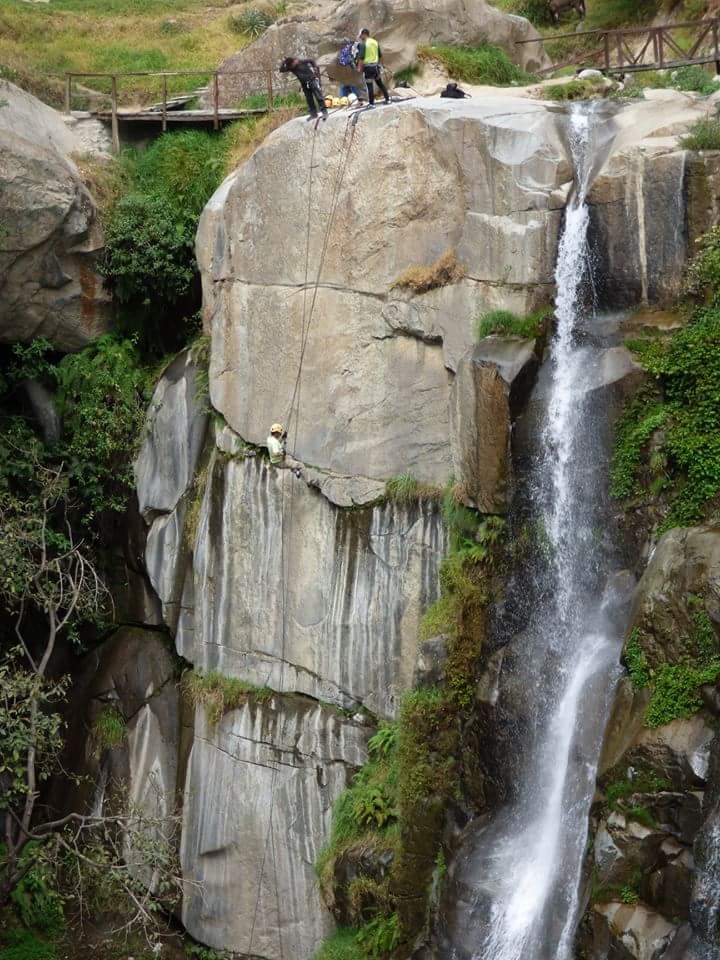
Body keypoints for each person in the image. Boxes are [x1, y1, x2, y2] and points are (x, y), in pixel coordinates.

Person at [356, 28, 390, 107]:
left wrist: (359, 68)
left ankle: (371, 104)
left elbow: (361, 58)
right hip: (376, 67)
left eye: (361, 35)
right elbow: (380, 55)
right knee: (380, 84)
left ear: (364, 34)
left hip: (368, 68)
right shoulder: (375, 42)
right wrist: (381, 65)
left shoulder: (363, 44)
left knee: (369, 86)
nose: (360, 37)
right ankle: (387, 99)